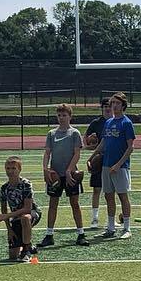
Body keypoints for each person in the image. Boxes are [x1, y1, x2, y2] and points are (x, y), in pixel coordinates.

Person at [39, 104, 88, 247]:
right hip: (55, 174)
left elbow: (77, 154)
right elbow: (47, 153)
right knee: (53, 204)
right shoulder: (51, 134)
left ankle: (81, 234)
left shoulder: (74, 133)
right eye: (59, 115)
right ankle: (49, 235)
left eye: (64, 115)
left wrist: (69, 170)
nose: (61, 118)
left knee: (75, 203)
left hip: (71, 174)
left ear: (70, 116)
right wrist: (45, 169)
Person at [100, 93, 137, 238]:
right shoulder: (108, 122)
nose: (114, 106)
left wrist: (118, 164)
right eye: (112, 103)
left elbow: (130, 147)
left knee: (123, 196)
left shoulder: (126, 123)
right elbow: (104, 142)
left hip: (120, 166)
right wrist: (92, 155)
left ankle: (127, 228)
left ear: (123, 105)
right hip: (106, 164)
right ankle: (110, 227)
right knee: (108, 197)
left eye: (116, 103)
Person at [0, 155, 38, 260]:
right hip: (15, 217)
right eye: (8, 168)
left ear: (19, 169)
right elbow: (4, 209)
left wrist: (6, 216)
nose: (11, 171)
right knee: (13, 256)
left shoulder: (26, 184)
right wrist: (9, 229)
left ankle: (26, 249)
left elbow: (27, 208)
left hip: (31, 213)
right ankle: (28, 244)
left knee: (25, 218)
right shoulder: (4, 188)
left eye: (14, 168)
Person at [84, 98, 111, 229]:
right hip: (99, 159)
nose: (108, 108)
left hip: (113, 159)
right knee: (97, 189)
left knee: (111, 191)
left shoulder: (117, 122)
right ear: (102, 107)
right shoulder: (96, 123)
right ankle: (94, 218)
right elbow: (86, 142)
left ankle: (111, 219)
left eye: (110, 106)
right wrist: (91, 142)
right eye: (105, 106)